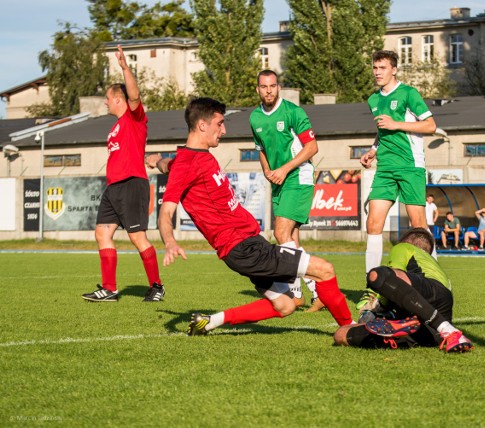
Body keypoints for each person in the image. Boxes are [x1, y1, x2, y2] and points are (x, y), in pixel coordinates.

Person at [146, 97, 353, 335]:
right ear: (203, 125)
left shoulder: (186, 159)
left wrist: (155, 160)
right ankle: (349, 328)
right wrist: (170, 242)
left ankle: (210, 321)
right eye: (220, 123)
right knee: (325, 269)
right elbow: (166, 211)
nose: (224, 130)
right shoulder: (187, 163)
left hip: (244, 247)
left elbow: (167, 165)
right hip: (244, 247)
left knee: (284, 305)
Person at [82, 45, 164, 303]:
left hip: (131, 185)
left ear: (119, 99)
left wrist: (125, 67)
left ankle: (157, 287)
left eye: (108, 97)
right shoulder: (117, 127)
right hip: (114, 187)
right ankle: (109, 289)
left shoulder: (134, 117)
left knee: (137, 237)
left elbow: (135, 94)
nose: (105, 101)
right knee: (101, 233)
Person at [358, 50, 437, 309]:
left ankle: (436, 282)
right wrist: (373, 150)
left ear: (394, 69)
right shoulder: (372, 99)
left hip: (410, 166)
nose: (377, 72)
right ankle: (372, 289)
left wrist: (397, 125)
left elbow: (430, 126)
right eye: (374, 67)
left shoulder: (408, 94)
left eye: (382, 67)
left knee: (419, 227)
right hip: (385, 169)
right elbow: (382, 132)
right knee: (373, 222)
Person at [249, 70, 324, 313]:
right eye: (263, 86)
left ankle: (320, 290)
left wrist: (284, 169)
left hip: (298, 176)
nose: (268, 90)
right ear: (258, 89)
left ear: (278, 87)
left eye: (272, 86)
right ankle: (297, 294)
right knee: (291, 238)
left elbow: (312, 146)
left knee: (280, 233)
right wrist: (268, 170)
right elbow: (261, 148)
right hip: (279, 181)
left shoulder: (293, 112)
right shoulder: (255, 118)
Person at [333, 228, 473, 353]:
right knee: (341, 334)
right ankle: (429, 327)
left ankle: (449, 330)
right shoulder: (435, 265)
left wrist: (380, 305)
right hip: (431, 327)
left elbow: (395, 277)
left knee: (377, 276)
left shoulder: (404, 247)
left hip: (431, 293)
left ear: (407, 241)